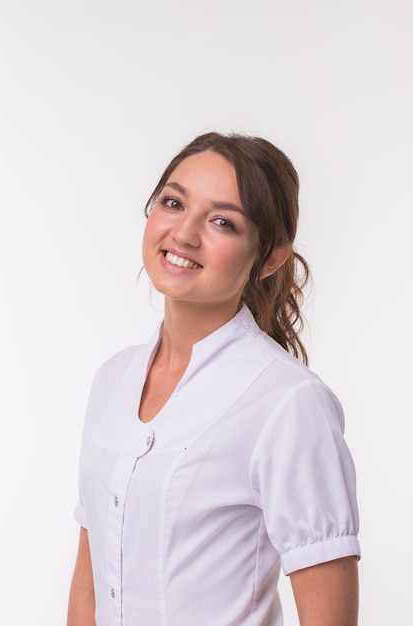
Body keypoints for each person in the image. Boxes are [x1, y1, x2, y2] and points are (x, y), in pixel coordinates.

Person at [67, 132, 360, 626]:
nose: (184, 233)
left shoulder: (288, 401)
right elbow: (88, 588)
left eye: (222, 221)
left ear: (269, 259)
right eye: (173, 202)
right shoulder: (113, 379)